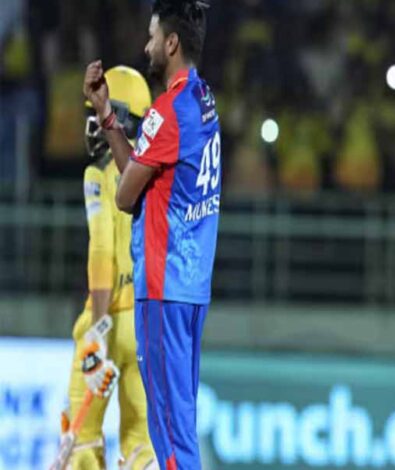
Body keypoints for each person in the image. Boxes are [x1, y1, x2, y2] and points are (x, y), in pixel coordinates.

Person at [82, 0, 219, 467]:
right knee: (180, 424)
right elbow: (140, 176)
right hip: (191, 287)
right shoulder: (203, 101)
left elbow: (124, 196)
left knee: (169, 433)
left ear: (171, 43)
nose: (147, 46)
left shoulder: (168, 111)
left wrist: (110, 123)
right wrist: (107, 113)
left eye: (152, 36)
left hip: (162, 287)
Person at [66, 65, 157, 469]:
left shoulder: (98, 173)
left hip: (108, 318)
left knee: (82, 445)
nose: (91, 123)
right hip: (145, 323)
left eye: (98, 113)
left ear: (118, 116)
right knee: (141, 448)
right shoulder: (155, 178)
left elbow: (102, 248)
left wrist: (98, 331)